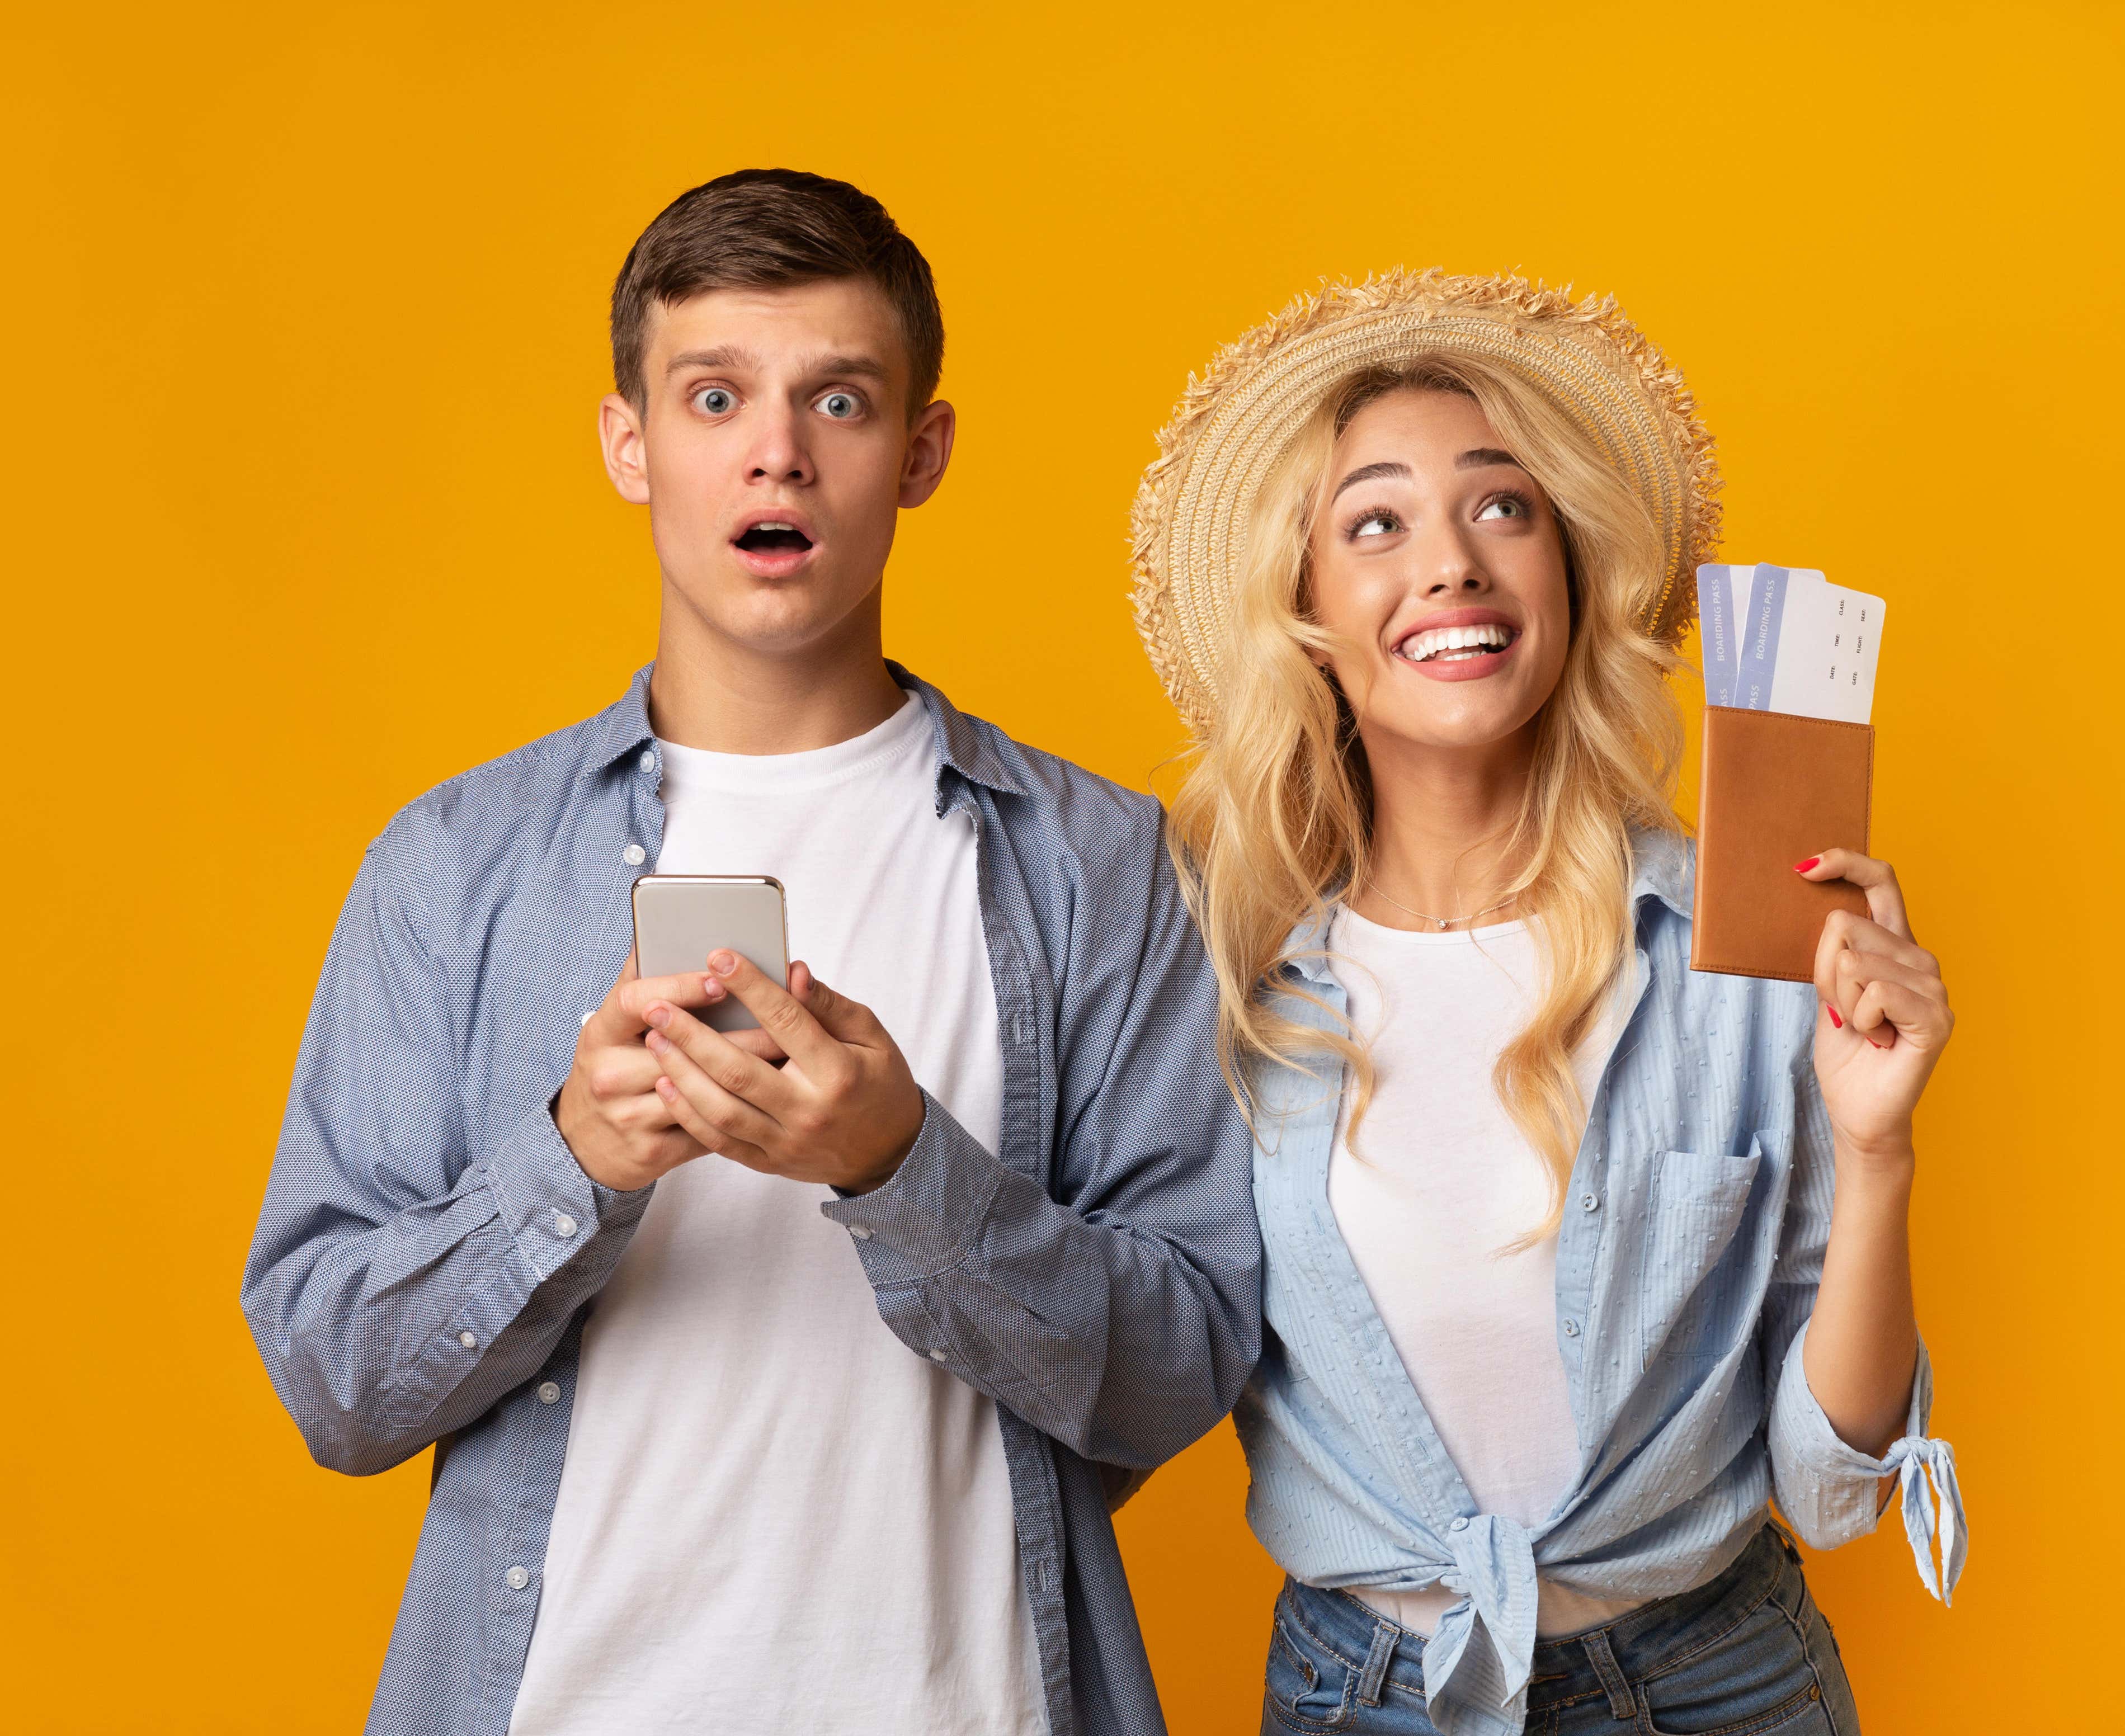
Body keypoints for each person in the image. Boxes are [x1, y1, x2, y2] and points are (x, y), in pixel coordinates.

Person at [242, 169, 1259, 1736]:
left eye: (838, 400)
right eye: (715, 395)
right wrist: (570, 1167)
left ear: (919, 453)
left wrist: (905, 1167)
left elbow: (1184, 1366)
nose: (775, 450)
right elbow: (337, 1386)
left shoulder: (1103, 867)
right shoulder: (450, 869)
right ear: (629, 445)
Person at [1131, 272, 1966, 1736]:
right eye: (1376, 522)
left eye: (1502, 507)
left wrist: (1880, 1148)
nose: (1450, 561)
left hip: (1718, 1685)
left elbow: (1832, 1494)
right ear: (1308, 612)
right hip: (1361, 1697)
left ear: (1567, 577)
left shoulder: (1742, 943)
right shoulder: (1230, 980)